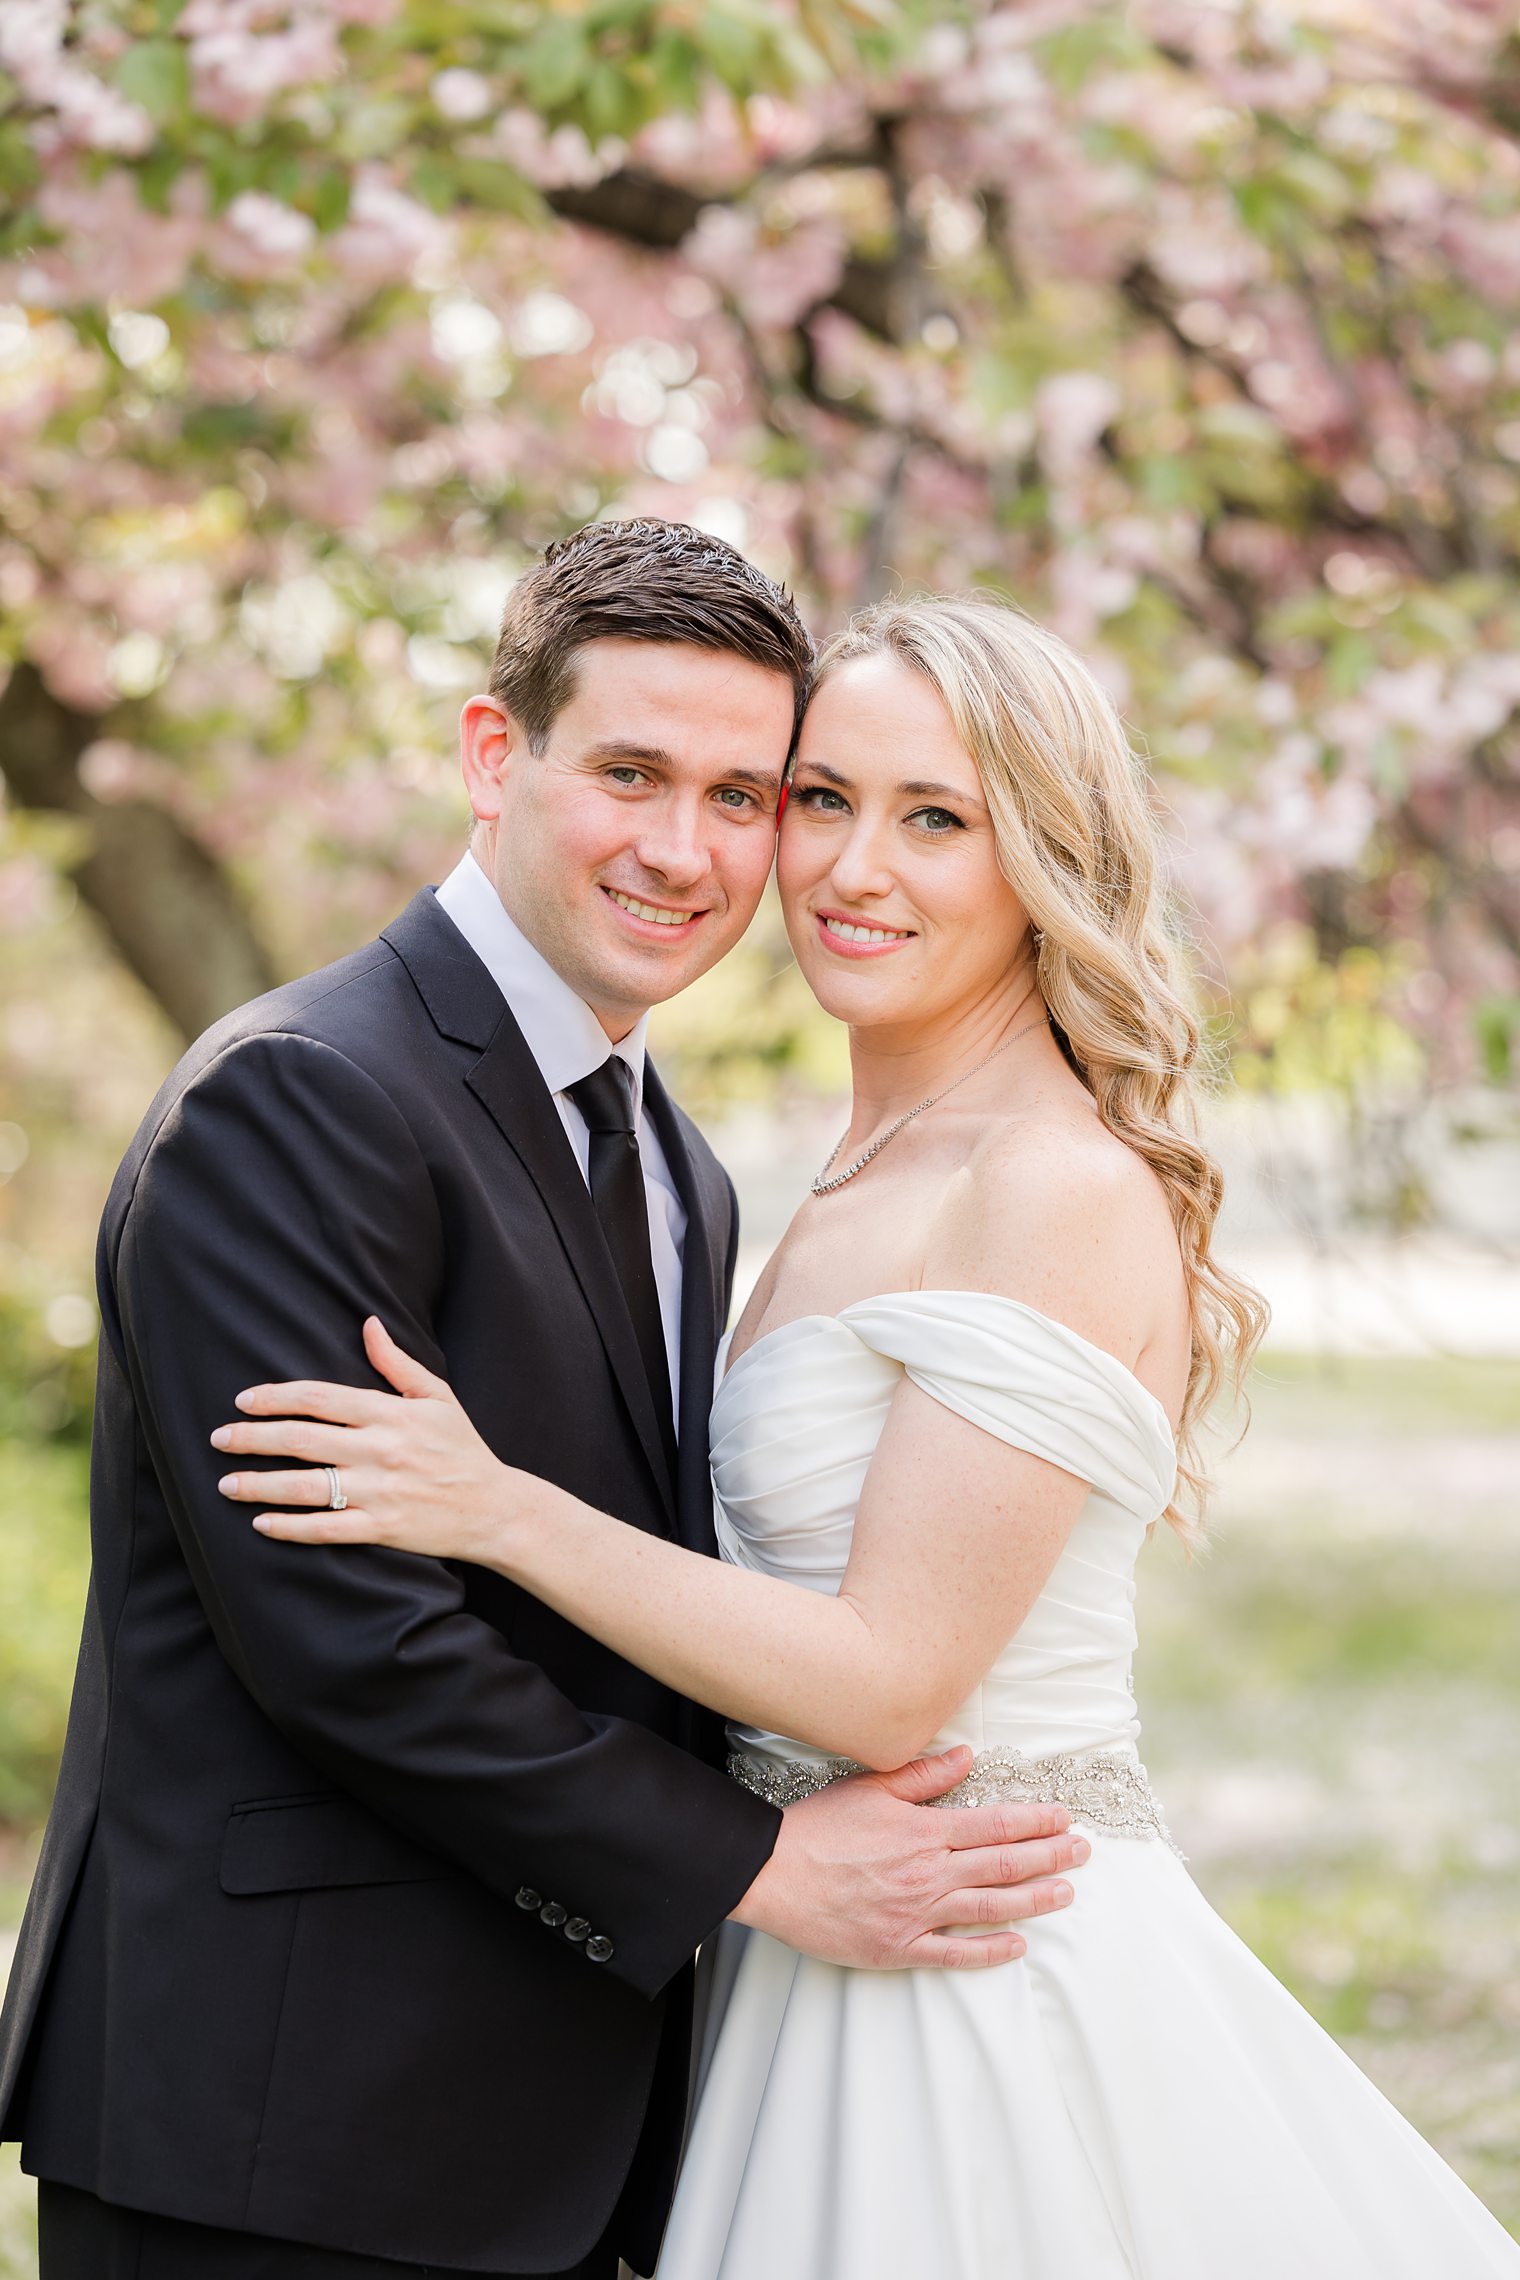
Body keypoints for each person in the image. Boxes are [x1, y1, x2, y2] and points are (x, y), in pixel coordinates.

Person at [219, 592, 1520, 2279]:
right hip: (800, 1955)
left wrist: (500, 1511)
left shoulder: (1044, 1183)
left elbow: (896, 1675)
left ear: (1042, 858)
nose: (851, 868)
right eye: (819, 799)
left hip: (971, 1975)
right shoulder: (806, 1176)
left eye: (935, 820)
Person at [0, 530, 1088, 2280]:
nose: (687, 849)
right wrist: (762, 1869)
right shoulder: (302, 1100)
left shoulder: (685, 1167)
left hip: (569, 2117)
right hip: (285, 2123)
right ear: (496, 758)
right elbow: (349, 1643)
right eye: (633, 774)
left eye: (746, 794)